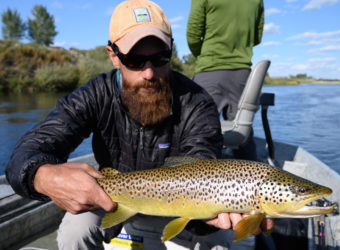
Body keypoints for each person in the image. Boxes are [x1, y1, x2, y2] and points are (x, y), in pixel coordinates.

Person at [6, 0, 272, 249]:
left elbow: (200, 160)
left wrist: (206, 214)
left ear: (172, 50)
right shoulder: (94, 95)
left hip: (183, 209)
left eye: (160, 58)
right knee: (75, 228)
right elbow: (28, 151)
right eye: (134, 60)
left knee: (224, 235)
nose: (149, 73)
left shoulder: (198, 102)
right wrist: (41, 176)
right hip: (113, 201)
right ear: (113, 55)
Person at [187, 0, 264, 160]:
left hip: (209, 71)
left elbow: (193, 35)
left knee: (198, 132)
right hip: (242, 74)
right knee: (244, 132)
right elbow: (257, 37)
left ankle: (199, 180)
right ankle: (251, 179)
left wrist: (204, 56)